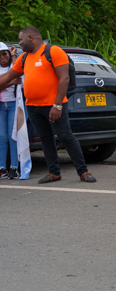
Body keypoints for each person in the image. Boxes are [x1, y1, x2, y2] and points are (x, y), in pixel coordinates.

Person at [0, 27, 95, 184]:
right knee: (46, 138)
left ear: (31, 37)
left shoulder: (53, 52)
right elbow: (8, 76)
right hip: (33, 106)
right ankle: (54, 172)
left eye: (21, 39)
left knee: (66, 136)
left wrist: (57, 105)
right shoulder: (24, 57)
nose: (19, 42)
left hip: (55, 106)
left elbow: (64, 79)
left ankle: (83, 171)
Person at [0, 44, 19, 179]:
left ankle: (14, 167)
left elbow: (20, 77)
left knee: (13, 137)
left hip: (13, 105)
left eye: (4, 54)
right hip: (1, 105)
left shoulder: (13, 67)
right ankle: (2, 168)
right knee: (2, 137)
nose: (2, 57)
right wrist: (11, 82)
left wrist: (13, 55)